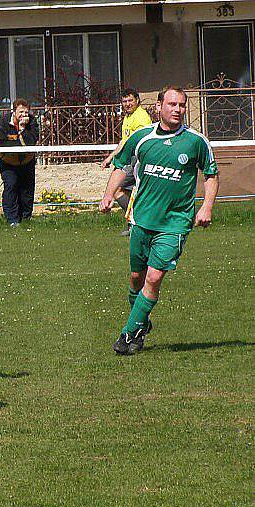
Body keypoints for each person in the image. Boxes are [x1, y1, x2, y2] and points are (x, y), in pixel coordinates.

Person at [99, 86, 219, 355]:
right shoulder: (142, 138)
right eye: (172, 104)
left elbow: (211, 174)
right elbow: (120, 165)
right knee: (136, 278)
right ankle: (141, 321)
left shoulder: (196, 141)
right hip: (141, 219)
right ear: (159, 106)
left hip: (175, 223)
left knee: (153, 278)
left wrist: (206, 207)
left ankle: (128, 337)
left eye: (182, 105)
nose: (178, 110)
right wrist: (108, 195)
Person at [101, 88, 153, 235]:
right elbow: (124, 141)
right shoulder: (128, 117)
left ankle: (136, 223)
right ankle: (136, 224)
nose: (127, 104)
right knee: (125, 191)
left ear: (137, 100)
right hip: (130, 159)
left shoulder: (141, 117)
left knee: (117, 189)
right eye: (124, 101)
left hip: (138, 159)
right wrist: (110, 157)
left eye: (130, 100)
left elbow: (138, 142)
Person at [0, 98, 39, 225]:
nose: (24, 115)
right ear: (14, 111)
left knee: (27, 191)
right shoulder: (2, 123)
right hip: (8, 163)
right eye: (21, 112)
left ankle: (25, 219)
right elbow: (0, 142)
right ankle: (12, 220)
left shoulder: (32, 122)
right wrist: (18, 142)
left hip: (27, 162)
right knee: (11, 186)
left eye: (26, 112)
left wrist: (23, 129)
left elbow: (31, 141)